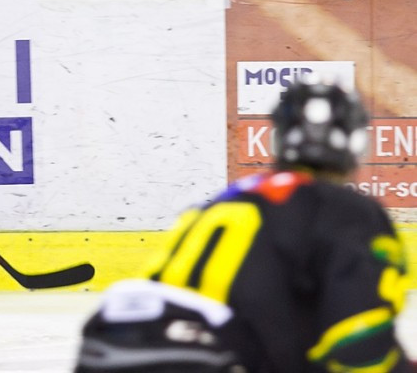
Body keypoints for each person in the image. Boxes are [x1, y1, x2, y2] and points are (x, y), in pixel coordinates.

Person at [75, 79, 412, 372]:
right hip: (202, 358)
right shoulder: (348, 210)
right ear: (357, 144)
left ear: (277, 140)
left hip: (107, 345)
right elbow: (358, 341)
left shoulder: (224, 201)